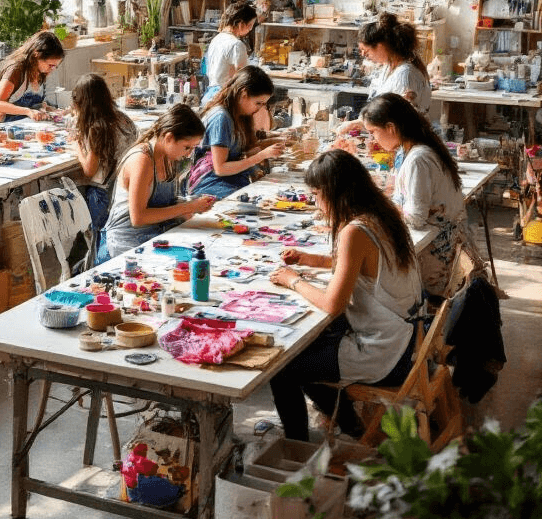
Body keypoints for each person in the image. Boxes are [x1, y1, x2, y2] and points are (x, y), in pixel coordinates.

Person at [267, 149, 423, 441]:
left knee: (282, 367)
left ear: (333, 192)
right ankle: (350, 425)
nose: (316, 202)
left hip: (386, 354)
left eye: (316, 194)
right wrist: (314, 260)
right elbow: (365, 267)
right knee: (312, 348)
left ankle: (296, 446)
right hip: (408, 339)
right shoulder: (382, 214)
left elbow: (333, 305)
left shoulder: (355, 231)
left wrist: (293, 281)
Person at [361, 93, 470, 296]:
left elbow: (415, 218)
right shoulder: (417, 148)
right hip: (442, 245)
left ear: (391, 128)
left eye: (373, 132)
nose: (372, 139)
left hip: (438, 261)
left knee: (367, 282)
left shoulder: (418, 159)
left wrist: (376, 208)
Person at [105, 104, 216, 259]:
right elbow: (138, 218)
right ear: (168, 137)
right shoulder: (142, 160)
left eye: (193, 148)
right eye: (187, 147)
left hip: (157, 232)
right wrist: (188, 207)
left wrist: (193, 207)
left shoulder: (168, 156)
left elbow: (166, 204)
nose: (189, 153)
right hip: (128, 239)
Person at [68, 73, 138, 264]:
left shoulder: (96, 128)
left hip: (103, 194)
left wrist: (78, 148)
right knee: (106, 239)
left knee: (93, 244)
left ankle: (79, 272)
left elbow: (90, 170)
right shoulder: (122, 119)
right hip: (124, 189)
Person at [187, 65, 283, 199]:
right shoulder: (221, 118)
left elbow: (232, 155)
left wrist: (254, 152)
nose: (261, 108)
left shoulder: (238, 115)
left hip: (229, 180)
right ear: (244, 95)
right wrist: (259, 156)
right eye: (258, 103)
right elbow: (220, 168)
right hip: (210, 184)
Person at [358, 12, 432, 114]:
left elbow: (396, 119)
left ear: (380, 46)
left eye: (366, 51)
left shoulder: (405, 74)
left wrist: (358, 123)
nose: (363, 55)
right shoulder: (388, 67)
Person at [0, 31, 65, 123]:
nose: (53, 69)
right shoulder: (16, 70)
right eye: (50, 65)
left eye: (55, 66)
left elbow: (34, 105)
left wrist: (50, 110)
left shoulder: (42, 72)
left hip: (30, 127)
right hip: (7, 127)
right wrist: (28, 112)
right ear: (36, 54)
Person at [202, 0, 258, 105]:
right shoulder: (236, 45)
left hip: (211, 94)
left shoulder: (217, 39)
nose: (250, 29)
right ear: (240, 23)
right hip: (225, 96)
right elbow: (243, 78)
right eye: (250, 25)